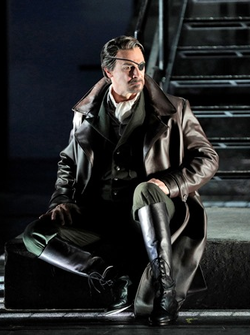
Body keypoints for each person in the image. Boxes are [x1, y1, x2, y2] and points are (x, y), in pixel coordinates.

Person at [22, 35, 219, 326]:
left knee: (145, 190)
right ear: (108, 71)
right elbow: (68, 161)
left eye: (140, 66)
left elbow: (207, 158)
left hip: (156, 210)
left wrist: (169, 184)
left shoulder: (175, 109)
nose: (137, 73)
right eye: (128, 67)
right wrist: (62, 200)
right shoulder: (84, 114)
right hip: (100, 216)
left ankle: (166, 289)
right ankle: (114, 278)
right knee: (34, 234)